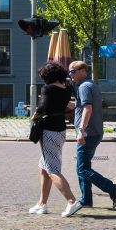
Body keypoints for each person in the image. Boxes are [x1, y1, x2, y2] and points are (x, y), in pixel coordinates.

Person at [29, 63, 82, 217]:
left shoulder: (47, 88)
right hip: (60, 130)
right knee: (43, 167)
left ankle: (72, 201)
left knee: (52, 170)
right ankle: (42, 204)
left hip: (48, 131)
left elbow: (43, 106)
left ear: (47, 76)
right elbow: (66, 106)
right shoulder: (66, 89)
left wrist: (35, 115)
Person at [69, 61, 116, 209]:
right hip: (94, 132)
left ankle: (112, 188)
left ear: (82, 71)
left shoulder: (84, 87)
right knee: (83, 167)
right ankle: (86, 199)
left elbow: (88, 109)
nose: (70, 75)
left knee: (82, 169)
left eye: (72, 72)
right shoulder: (91, 85)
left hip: (88, 133)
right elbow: (82, 106)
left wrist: (81, 131)